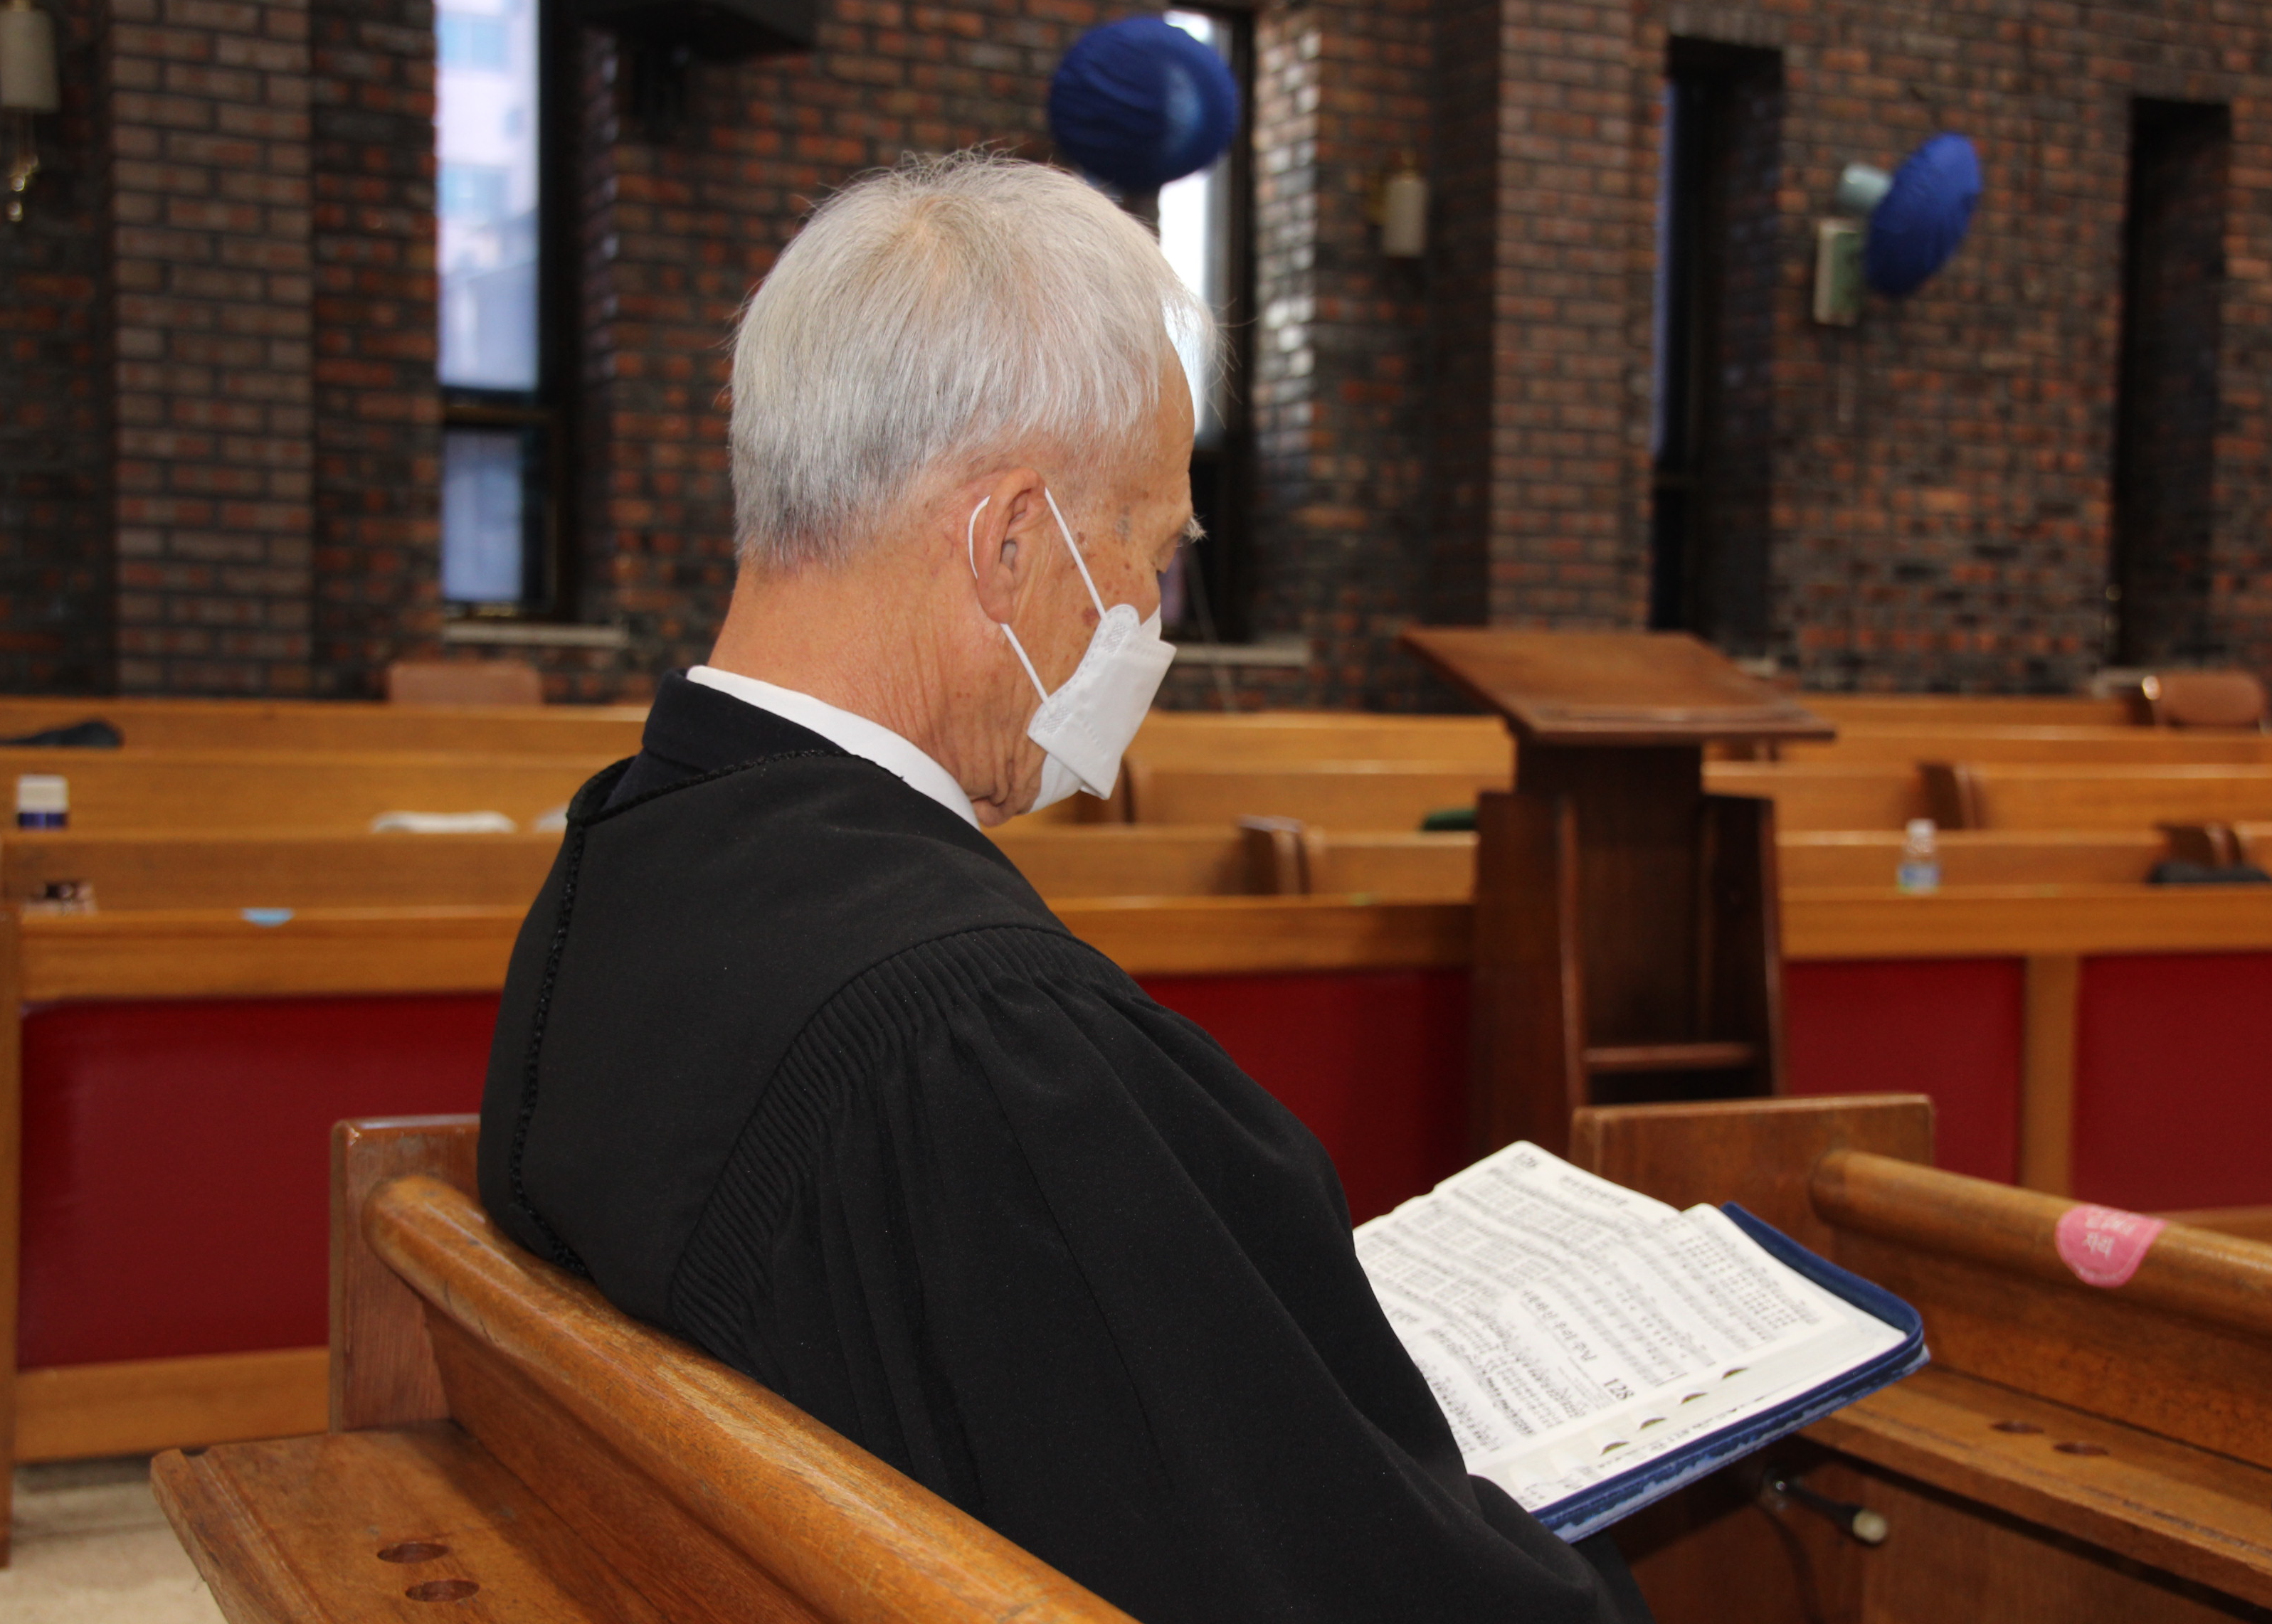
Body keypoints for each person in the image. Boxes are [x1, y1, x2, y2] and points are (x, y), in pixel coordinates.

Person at [477, 152, 1654, 1624]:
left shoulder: (628, 858)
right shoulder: (987, 1040)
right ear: (1010, 541)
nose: (1152, 619)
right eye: (1154, 553)